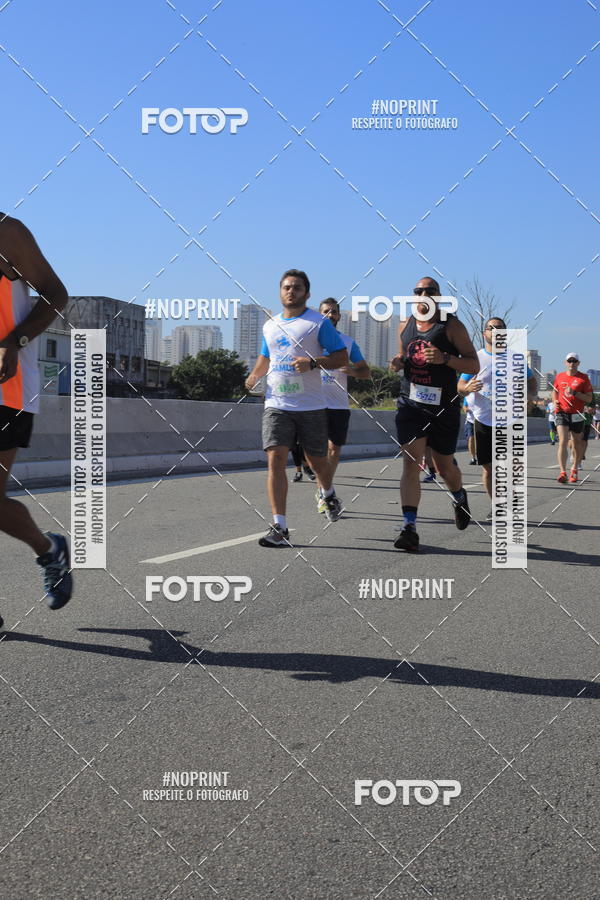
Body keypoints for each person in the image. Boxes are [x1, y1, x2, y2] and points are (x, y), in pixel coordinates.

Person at [0, 214, 73, 626]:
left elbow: (55, 294)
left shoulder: (6, 232)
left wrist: (15, 341)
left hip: (5, 387)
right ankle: (50, 550)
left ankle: (49, 550)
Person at [245, 270, 348, 546]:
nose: (291, 291)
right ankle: (280, 527)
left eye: (297, 287)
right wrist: (253, 377)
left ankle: (328, 493)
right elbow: (265, 358)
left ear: (307, 293)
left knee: (317, 463)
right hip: (277, 404)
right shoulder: (270, 325)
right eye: (287, 287)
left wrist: (313, 363)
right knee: (275, 458)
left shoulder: (318, 323)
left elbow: (341, 356)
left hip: (311, 406)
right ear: (280, 292)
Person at [389, 276, 479, 552]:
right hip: (411, 404)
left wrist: (446, 359)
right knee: (410, 463)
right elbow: (403, 358)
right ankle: (409, 527)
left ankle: (458, 495)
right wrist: (397, 363)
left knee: (443, 467)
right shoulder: (405, 325)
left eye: (430, 290)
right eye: (418, 291)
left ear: (439, 296)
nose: (424, 294)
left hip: (444, 407)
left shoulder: (452, 326)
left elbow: (473, 364)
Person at [458, 317, 537, 518]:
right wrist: (468, 388)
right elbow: (460, 387)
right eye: (491, 328)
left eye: (500, 328)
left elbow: (531, 380)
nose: (496, 331)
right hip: (483, 419)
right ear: (485, 333)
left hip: (510, 420)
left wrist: (531, 396)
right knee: (489, 467)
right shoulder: (476, 359)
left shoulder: (516, 359)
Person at [314, 298, 370, 513]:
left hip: (338, 405)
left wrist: (353, 372)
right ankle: (324, 493)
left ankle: (323, 489)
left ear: (339, 316)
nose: (330, 315)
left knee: (334, 450)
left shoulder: (347, 343)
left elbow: (366, 372)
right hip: (314, 403)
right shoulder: (310, 341)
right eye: (326, 311)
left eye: (334, 312)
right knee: (319, 452)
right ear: (320, 315)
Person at [553, 353, 593, 483]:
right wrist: (555, 401)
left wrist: (575, 393)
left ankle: (574, 469)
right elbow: (555, 391)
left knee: (576, 442)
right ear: (565, 362)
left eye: (574, 361)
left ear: (578, 363)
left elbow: (589, 398)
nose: (572, 363)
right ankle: (562, 472)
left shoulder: (583, 378)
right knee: (563, 440)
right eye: (569, 361)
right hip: (561, 412)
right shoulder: (559, 376)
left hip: (577, 413)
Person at [464, 399, 477, 464]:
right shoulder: (468, 395)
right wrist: (467, 409)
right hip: (470, 421)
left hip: (482, 421)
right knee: (471, 438)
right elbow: (464, 407)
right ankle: (473, 458)